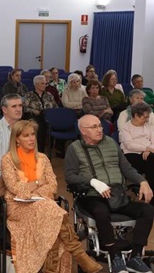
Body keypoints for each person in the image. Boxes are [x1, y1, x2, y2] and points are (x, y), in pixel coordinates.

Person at [0, 120, 102, 273]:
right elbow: (15, 188)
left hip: (43, 204)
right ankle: (79, 254)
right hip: (18, 206)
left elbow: (52, 186)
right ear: (17, 139)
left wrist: (32, 190)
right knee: (53, 211)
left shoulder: (43, 158)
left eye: (33, 134)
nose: (31, 139)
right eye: (26, 136)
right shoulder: (7, 160)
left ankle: (60, 264)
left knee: (50, 214)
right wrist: (37, 183)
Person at [65, 114, 154, 273]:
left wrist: (143, 181)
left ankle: (134, 257)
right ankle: (115, 256)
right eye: (94, 127)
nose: (100, 129)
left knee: (147, 210)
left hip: (117, 195)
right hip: (91, 196)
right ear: (83, 131)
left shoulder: (111, 143)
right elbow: (70, 176)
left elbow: (127, 169)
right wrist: (93, 182)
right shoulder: (75, 148)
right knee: (101, 211)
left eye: (100, 125)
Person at [120, 102, 154, 189]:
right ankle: (150, 189)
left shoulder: (149, 126)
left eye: (148, 117)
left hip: (149, 153)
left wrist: (149, 150)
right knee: (151, 160)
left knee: (151, 158)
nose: (147, 120)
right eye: (145, 117)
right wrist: (147, 148)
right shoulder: (126, 128)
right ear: (136, 115)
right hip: (132, 154)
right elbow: (129, 145)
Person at [23, 75, 57, 152]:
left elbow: (55, 107)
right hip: (35, 117)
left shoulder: (49, 95)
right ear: (36, 84)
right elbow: (25, 108)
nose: (45, 85)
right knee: (38, 126)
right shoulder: (29, 95)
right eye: (42, 83)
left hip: (48, 117)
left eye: (45, 83)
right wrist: (34, 111)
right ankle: (37, 151)